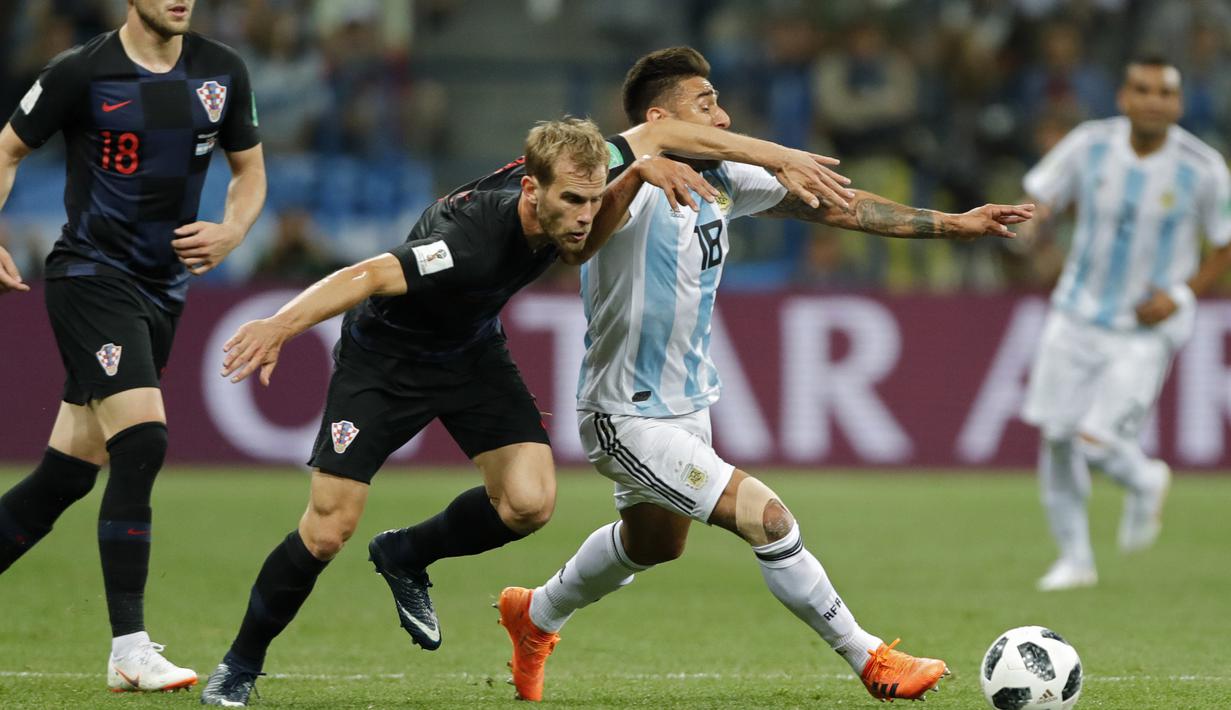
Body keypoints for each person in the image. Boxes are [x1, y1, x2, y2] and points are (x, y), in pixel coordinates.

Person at [197, 116, 847, 707]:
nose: (586, 218)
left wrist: (781, 155)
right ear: (531, 191)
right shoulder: (469, 238)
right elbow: (368, 275)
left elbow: (667, 131)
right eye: (571, 202)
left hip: (471, 352)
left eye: (595, 201)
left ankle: (405, 553)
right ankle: (239, 665)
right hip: (387, 363)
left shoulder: (580, 171)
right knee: (328, 528)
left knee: (529, 503)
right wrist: (280, 324)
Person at [494, 46, 1035, 704]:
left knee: (654, 545)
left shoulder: (721, 179)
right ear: (661, 119)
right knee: (769, 519)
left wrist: (951, 224)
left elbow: (836, 206)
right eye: (704, 105)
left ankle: (535, 615)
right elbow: (573, 240)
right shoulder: (617, 187)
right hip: (623, 413)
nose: (720, 117)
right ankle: (869, 658)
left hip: (687, 407)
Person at [0, 0, 264, 693]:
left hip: (164, 291)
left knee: (64, 478)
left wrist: (233, 231)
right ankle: (129, 647)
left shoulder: (222, 71)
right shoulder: (80, 72)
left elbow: (250, 172)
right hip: (91, 277)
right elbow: (7, 149)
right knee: (142, 440)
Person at [1018, 56, 1231, 592]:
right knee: (1059, 435)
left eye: (1164, 91)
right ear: (1124, 97)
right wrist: (1033, 225)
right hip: (1077, 310)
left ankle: (1145, 477)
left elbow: (1224, 243)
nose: (1153, 100)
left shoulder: (1202, 167)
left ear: (1177, 104)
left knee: (1096, 439)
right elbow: (1043, 196)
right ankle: (1075, 558)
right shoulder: (1089, 144)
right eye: (1143, 89)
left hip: (1145, 323)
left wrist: (1181, 295)